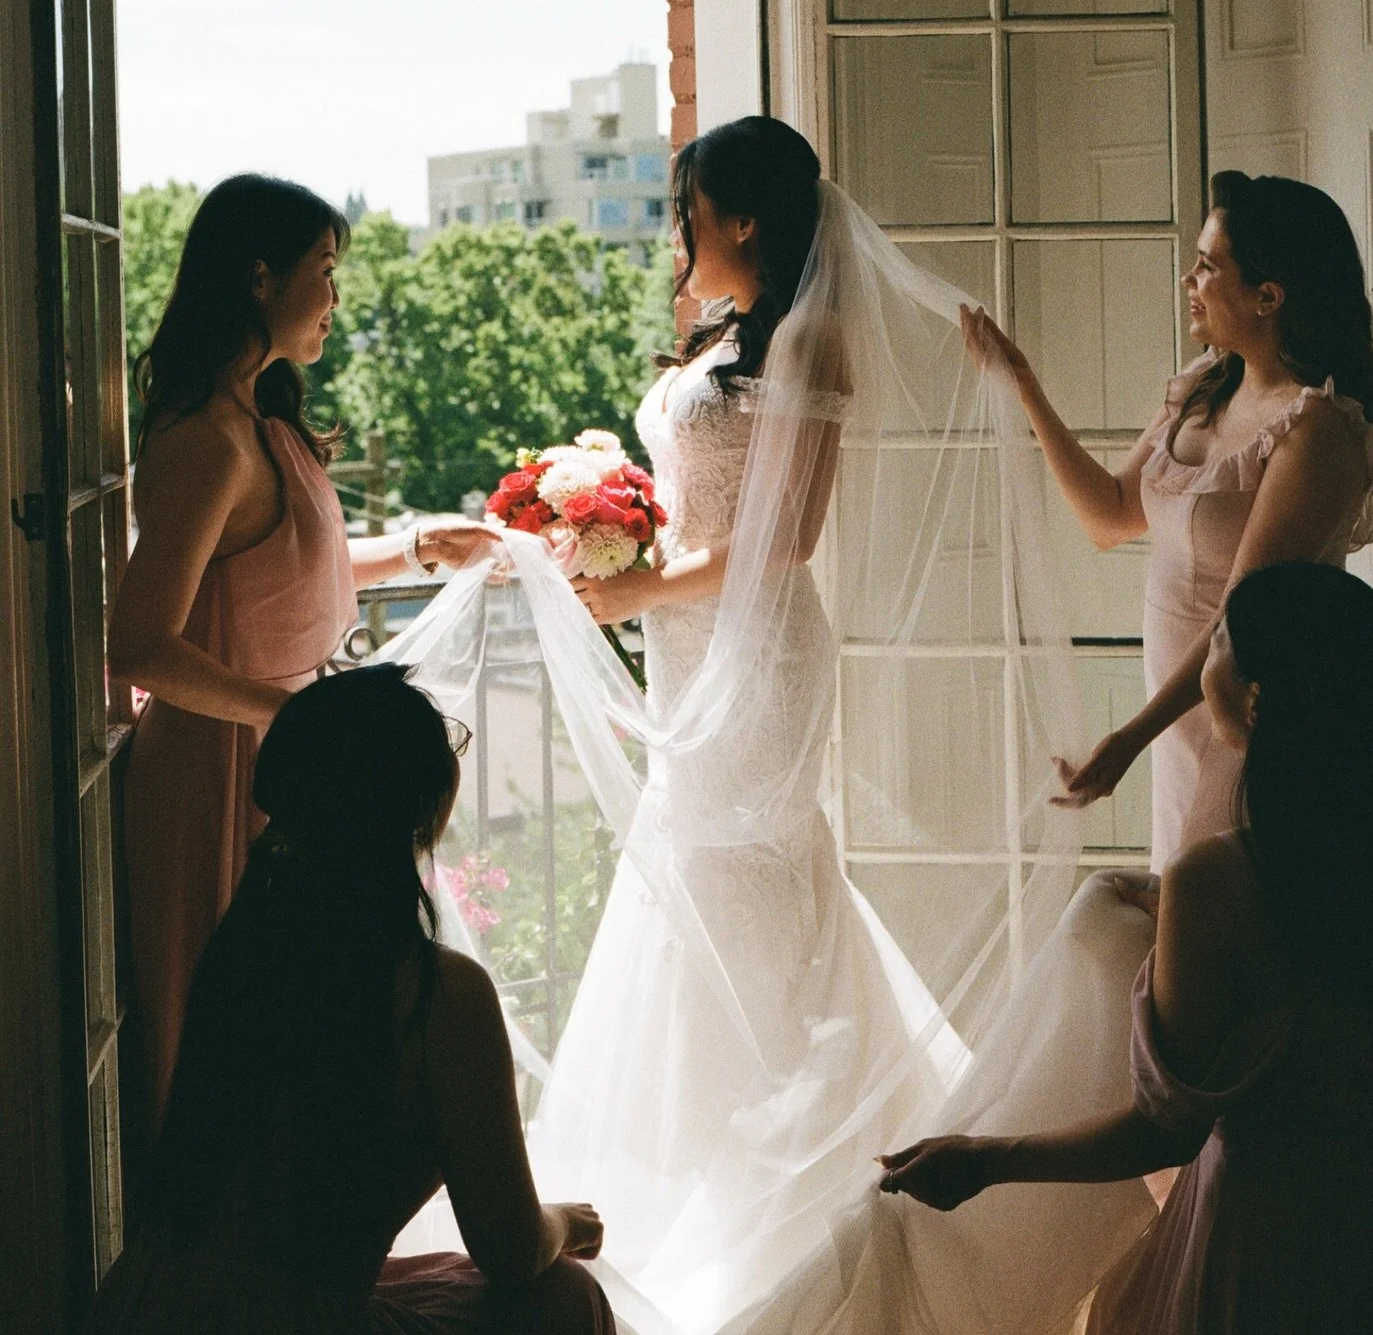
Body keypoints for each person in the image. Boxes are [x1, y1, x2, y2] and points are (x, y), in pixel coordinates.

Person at [393, 117, 1157, 1335]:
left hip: (760, 660)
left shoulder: (811, 338)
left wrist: (642, 588)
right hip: (692, 645)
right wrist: (597, 536)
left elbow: (786, 538)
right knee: (716, 899)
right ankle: (723, 1161)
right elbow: (700, 509)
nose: (677, 231)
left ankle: (790, 1188)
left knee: (736, 893)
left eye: (689, 210)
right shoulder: (722, 340)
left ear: (744, 219)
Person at [880, 562, 1373, 1335]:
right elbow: (1335, 1013)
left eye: (1220, 640)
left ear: (1255, 698)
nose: (1203, 654)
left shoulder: (1214, 879)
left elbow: (1164, 1130)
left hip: (1263, 1249)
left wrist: (987, 1158)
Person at [109, 174, 493, 1128]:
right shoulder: (208, 440)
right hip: (219, 772)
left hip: (279, 758)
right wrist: (289, 714)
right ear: (258, 277)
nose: (335, 296)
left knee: (297, 1035)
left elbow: (281, 576)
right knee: (228, 1042)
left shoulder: (261, 421)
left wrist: (417, 547)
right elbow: (139, 644)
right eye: (323, 270)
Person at [87, 665, 614, 1335]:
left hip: (138, 1306)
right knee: (564, 1296)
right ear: (412, 804)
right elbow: (511, 1249)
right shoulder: (437, 993)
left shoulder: (243, 951)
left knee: (441, 1276)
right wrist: (564, 1222)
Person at [962, 171, 1373, 869]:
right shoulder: (1204, 386)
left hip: (1251, 715)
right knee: (1185, 899)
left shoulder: (1317, 432)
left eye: (1207, 266)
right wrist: (1023, 385)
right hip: (1176, 722)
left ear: (1268, 296)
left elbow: (1240, 619)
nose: (1188, 281)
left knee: (1224, 901)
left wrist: (1129, 739)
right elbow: (1108, 517)